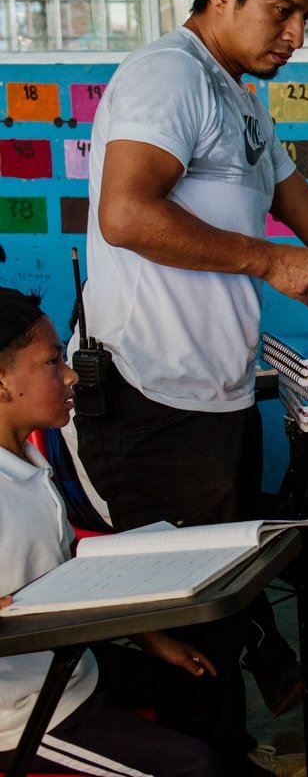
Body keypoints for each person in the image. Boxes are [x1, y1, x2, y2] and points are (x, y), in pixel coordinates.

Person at [67, 0, 308, 757]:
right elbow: (125, 213)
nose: (298, 35)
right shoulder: (167, 77)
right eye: (283, 12)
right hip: (148, 404)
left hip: (210, 399)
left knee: (223, 624)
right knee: (192, 638)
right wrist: (270, 263)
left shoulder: (237, 99)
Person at [0, 287, 228, 776]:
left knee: (198, 683)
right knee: (195, 766)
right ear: (1, 381)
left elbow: (69, 579)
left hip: (71, 671)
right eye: (51, 361)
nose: (69, 374)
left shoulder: (28, 461)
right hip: (24, 717)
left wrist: (151, 639)